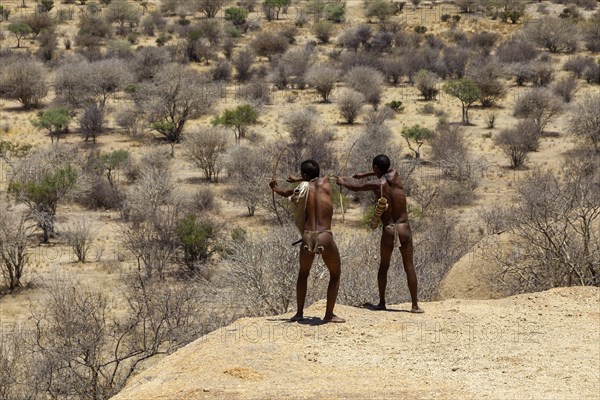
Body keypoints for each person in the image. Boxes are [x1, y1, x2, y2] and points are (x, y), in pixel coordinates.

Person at [336, 154, 423, 313]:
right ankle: (415, 305)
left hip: (389, 229)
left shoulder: (376, 184)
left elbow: (356, 188)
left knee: (384, 266)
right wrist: (365, 174)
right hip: (404, 227)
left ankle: (382, 302)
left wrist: (343, 183)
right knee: (409, 266)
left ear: (376, 168)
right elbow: (385, 170)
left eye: (373, 168)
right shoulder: (395, 174)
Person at [269, 159, 345, 323]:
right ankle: (329, 315)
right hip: (325, 236)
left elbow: (288, 193)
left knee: (303, 274)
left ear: (304, 175)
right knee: (335, 274)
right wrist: (299, 178)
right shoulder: (326, 182)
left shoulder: (302, 189)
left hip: (308, 236)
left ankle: (299, 313)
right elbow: (314, 178)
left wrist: (274, 188)